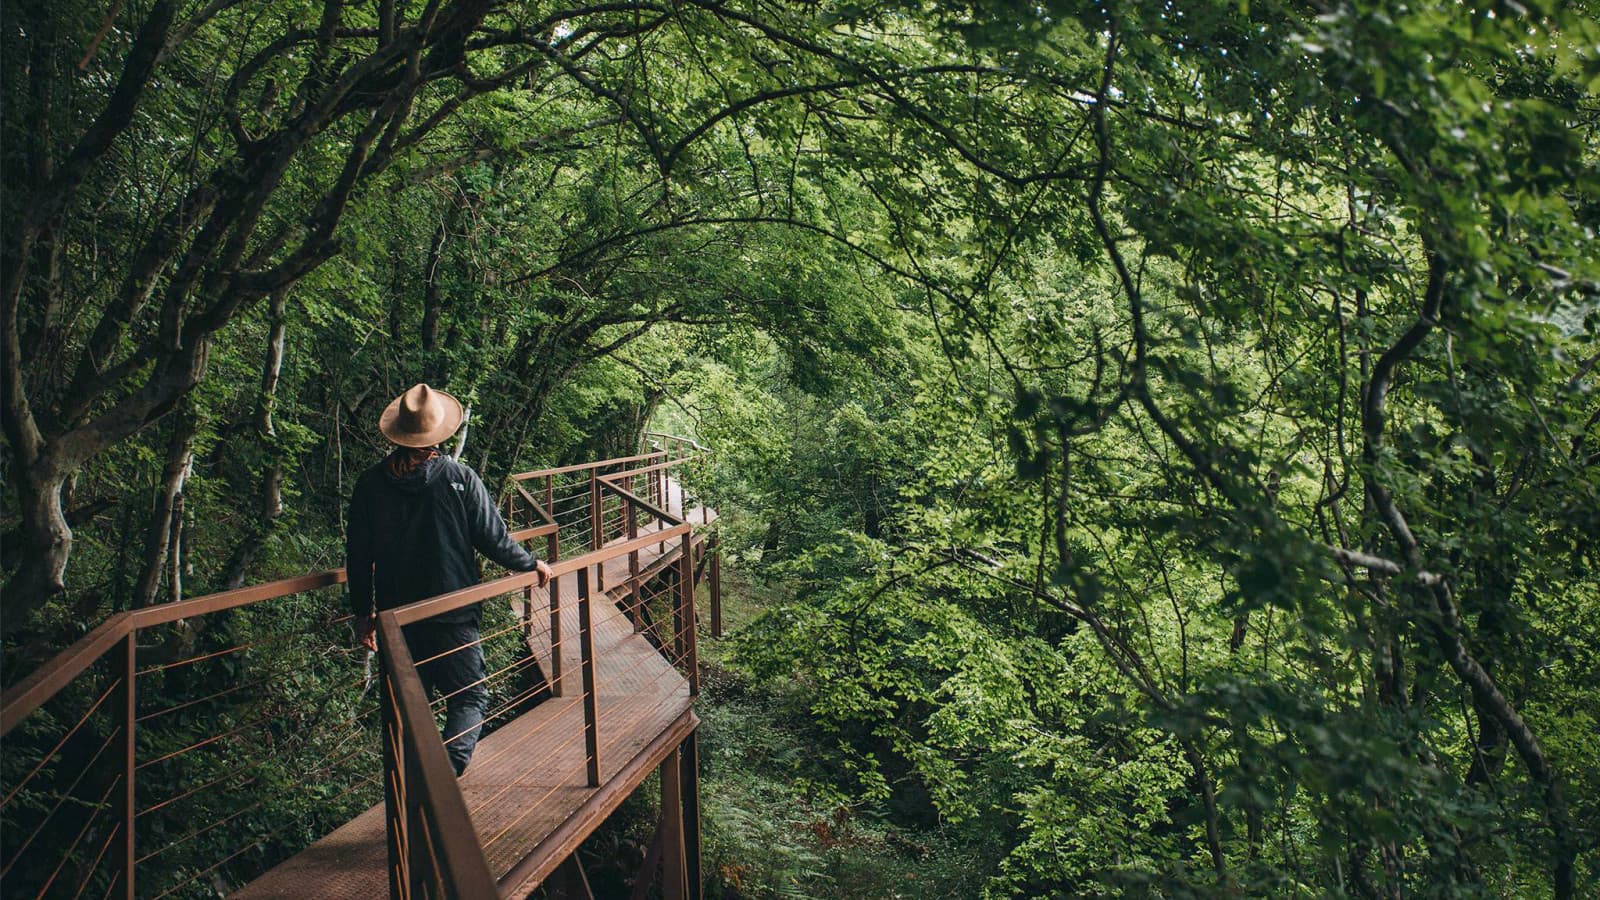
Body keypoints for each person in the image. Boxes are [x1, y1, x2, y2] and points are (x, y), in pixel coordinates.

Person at [346, 383, 551, 775]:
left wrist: (362, 614)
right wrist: (531, 563)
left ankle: (411, 798)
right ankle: (446, 773)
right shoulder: (459, 478)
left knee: (408, 712)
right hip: (453, 615)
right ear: (441, 433)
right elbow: (493, 539)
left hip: (397, 619)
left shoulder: (370, 485)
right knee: (470, 697)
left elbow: (358, 556)